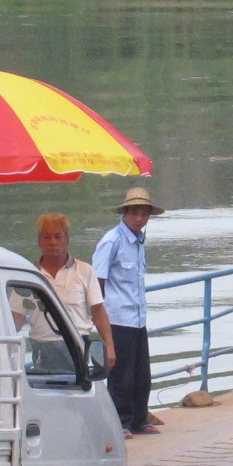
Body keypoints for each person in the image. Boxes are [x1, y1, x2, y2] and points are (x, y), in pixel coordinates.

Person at [92, 187, 162, 436]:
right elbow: (97, 281)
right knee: (121, 375)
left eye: (144, 214)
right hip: (118, 318)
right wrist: (100, 317)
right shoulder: (112, 241)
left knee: (141, 374)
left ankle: (139, 419)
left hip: (138, 318)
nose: (139, 219)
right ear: (125, 213)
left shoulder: (139, 241)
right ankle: (120, 422)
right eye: (135, 213)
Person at [35, 213, 113, 357]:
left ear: (67, 240)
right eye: (47, 237)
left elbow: (97, 310)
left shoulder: (85, 270)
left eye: (58, 236)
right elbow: (16, 317)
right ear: (39, 241)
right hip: (42, 347)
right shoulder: (30, 274)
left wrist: (109, 345)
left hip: (78, 344)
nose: (53, 242)